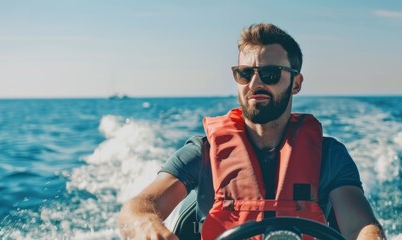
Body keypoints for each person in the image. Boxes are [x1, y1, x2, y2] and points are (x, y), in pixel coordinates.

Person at [118, 23, 385, 240]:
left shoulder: (330, 156)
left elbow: (359, 227)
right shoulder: (203, 152)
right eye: (245, 74)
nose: (254, 83)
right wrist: (147, 225)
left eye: (270, 74)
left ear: (296, 83)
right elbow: (137, 208)